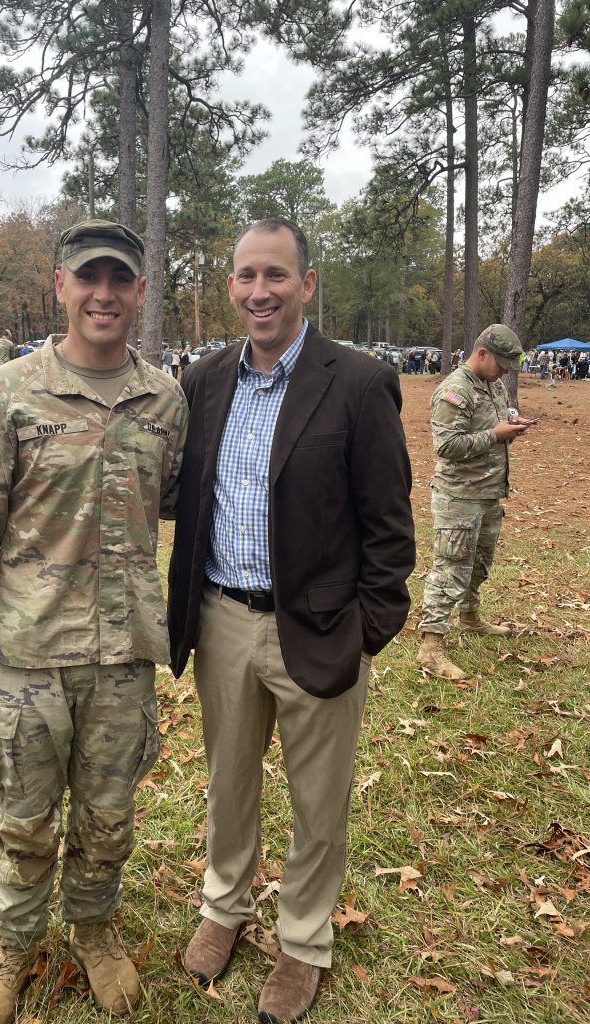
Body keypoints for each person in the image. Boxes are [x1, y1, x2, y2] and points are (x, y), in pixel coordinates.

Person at [0, 219, 188, 1024]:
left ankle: (92, 929)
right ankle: (14, 948)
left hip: (122, 656)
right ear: (60, 286)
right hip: (27, 655)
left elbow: (175, 502)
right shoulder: (6, 393)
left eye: (119, 280)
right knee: (25, 821)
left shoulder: (165, 400)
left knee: (108, 820)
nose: (103, 294)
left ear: (140, 291)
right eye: (88, 278)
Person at [167, 218, 415, 1023]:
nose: (260, 291)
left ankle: (303, 941)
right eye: (246, 276)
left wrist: (366, 630)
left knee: (319, 801)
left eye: (276, 274)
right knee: (228, 785)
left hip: (321, 628)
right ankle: (224, 906)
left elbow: (389, 526)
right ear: (230, 287)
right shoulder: (204, 381)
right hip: (222, 621)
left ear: (306, 284)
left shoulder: (359, 383)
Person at [416, 324, 534, 680]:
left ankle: (469, 617)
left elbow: (491, 427)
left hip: (488, 492)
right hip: (459, 497)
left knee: (480, 564)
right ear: (482, 353)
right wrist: (494, 435)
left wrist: (510, 426)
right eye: (501, 365)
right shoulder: (455, 390)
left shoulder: (493, 385)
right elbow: (446, 445)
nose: (504, 373)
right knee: (451, 569)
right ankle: (430, 647)